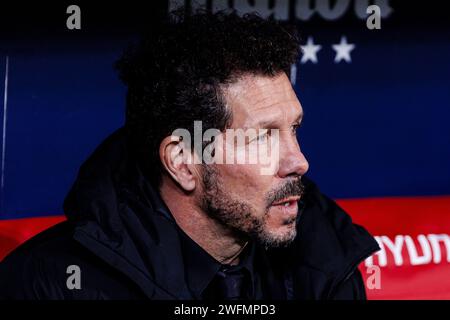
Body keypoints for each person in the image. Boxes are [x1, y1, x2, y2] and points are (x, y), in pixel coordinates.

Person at [0, 8, 378, 300]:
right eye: (263, 137)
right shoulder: (48, 284)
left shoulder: (328, 262)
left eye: (293, 128)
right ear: (182, 162)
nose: (299, 161)